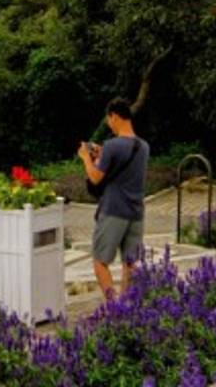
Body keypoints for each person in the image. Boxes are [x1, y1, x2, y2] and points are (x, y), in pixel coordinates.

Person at [77, 97, 149, 301]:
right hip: (136, 212)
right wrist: (103, 153)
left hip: (114, 210)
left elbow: (95, 177)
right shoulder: (144, 146)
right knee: (130, 263)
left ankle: (114, 307)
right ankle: (127, 307)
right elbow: (125, 167)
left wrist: (86, 158)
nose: (109, 124)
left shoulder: (112, 145)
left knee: (100, 262)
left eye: (109, 120)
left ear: (115, 117)